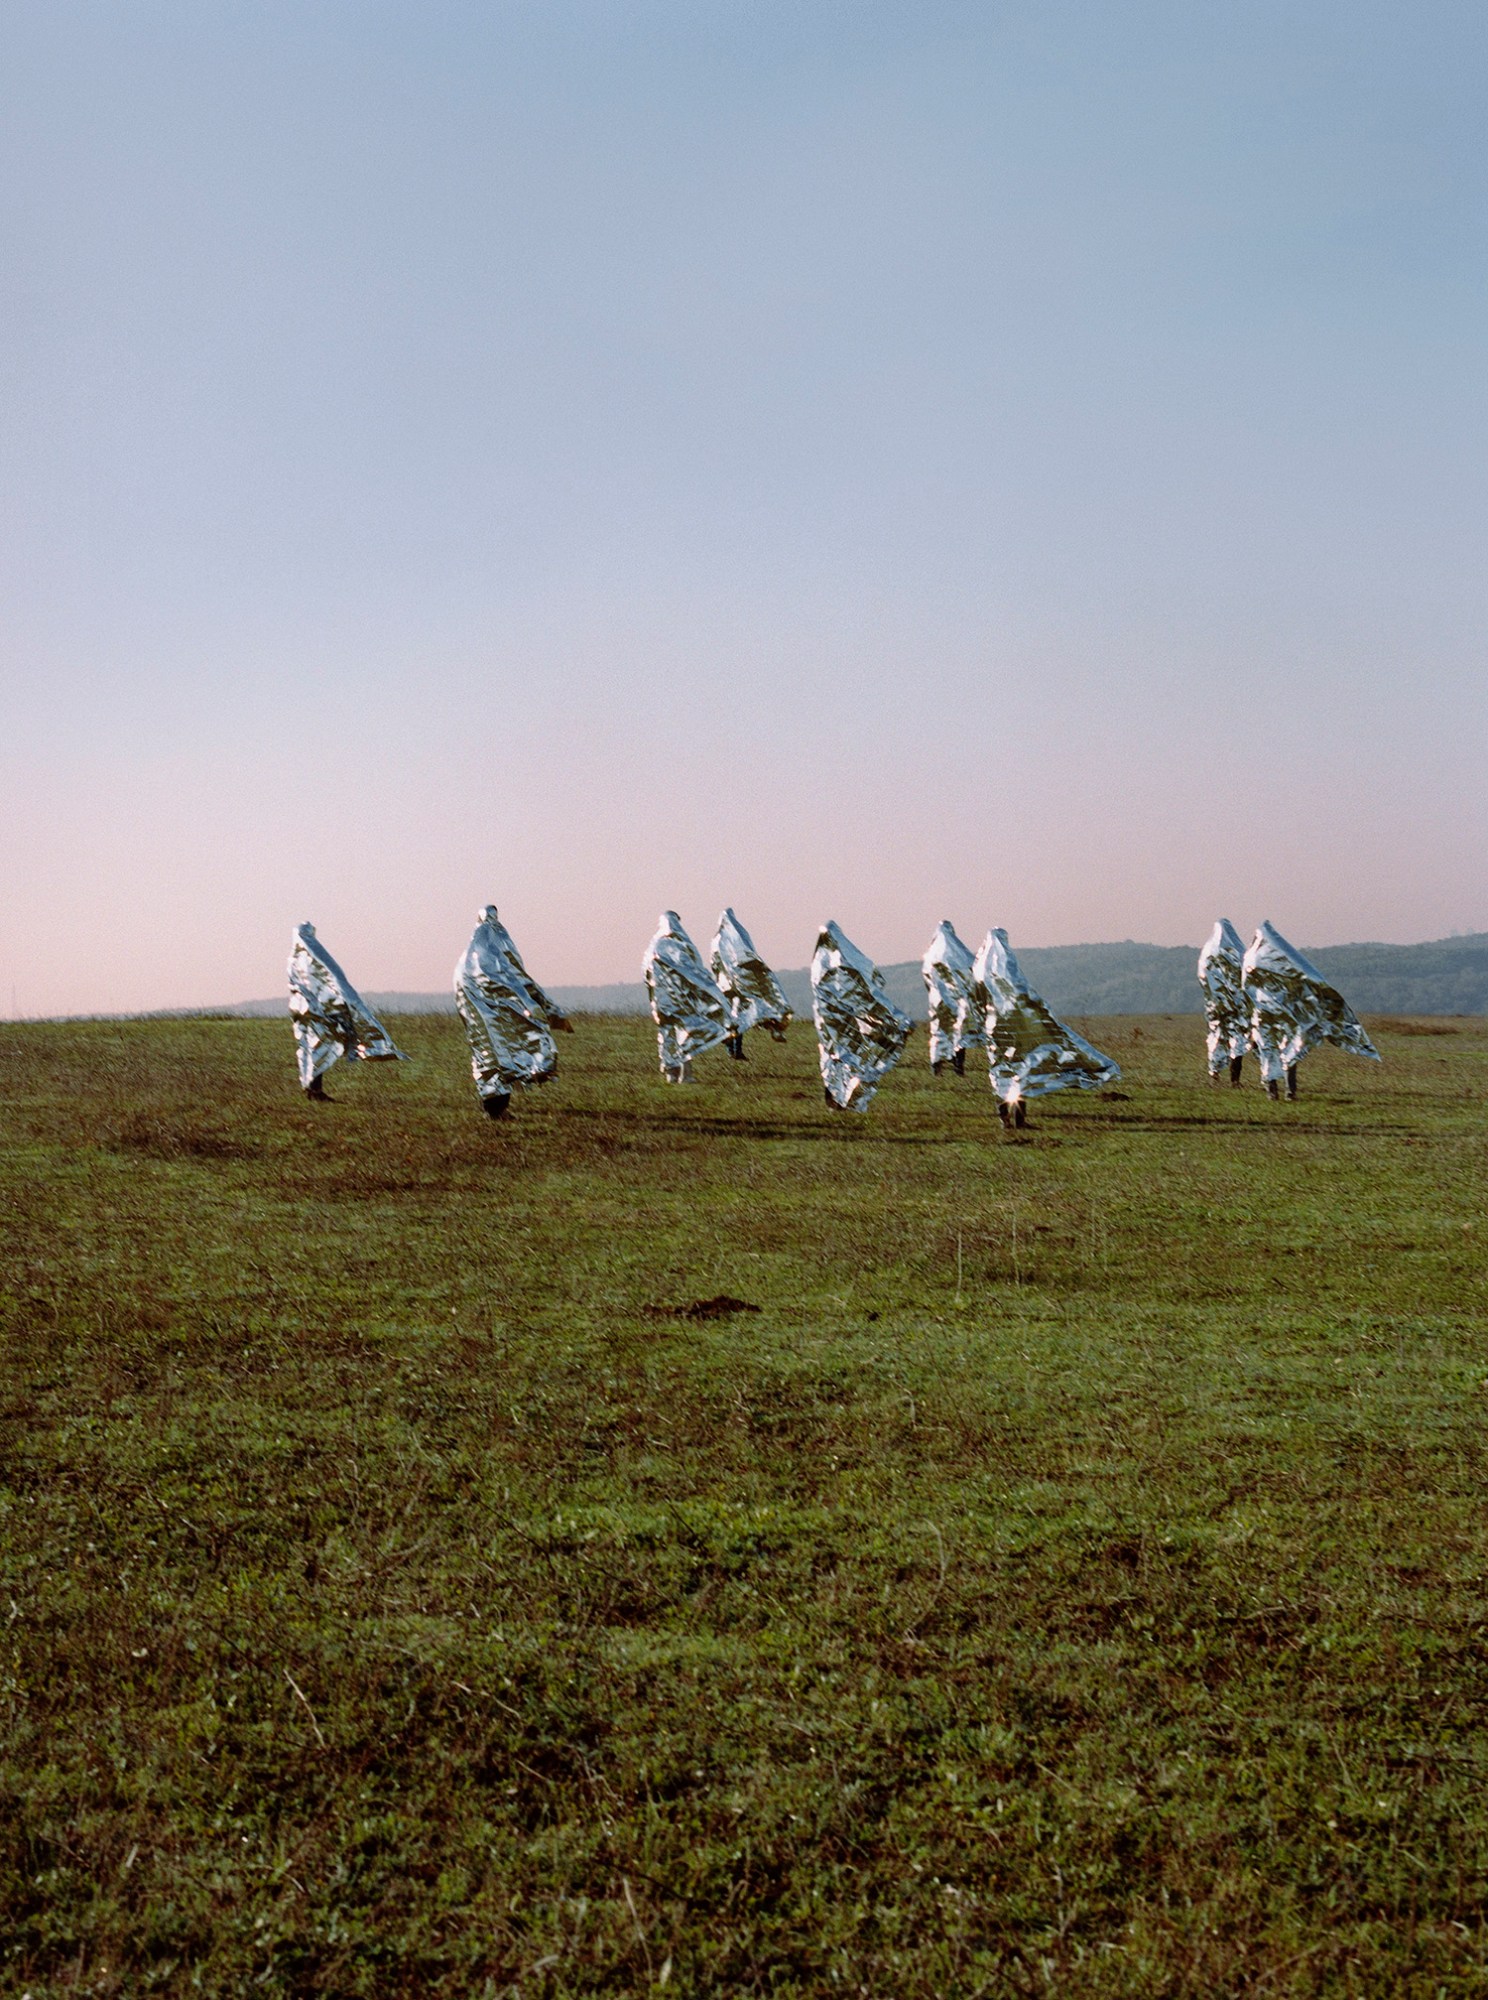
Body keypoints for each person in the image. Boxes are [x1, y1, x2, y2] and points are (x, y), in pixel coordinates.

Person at [971, 928, 1119, 1129]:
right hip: (1016, 1030)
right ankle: (1018, 1121)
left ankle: (1006, 1119)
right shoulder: (1004, 965)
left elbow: (978, 1003)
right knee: (1020, 1073)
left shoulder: (979, 970)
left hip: (995, 1033)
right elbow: (1020, 992)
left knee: (1003, 1073)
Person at [1241, 921, 1380, 1101]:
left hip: (1263, 1014)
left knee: (1268, 1051)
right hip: (1285, 1012)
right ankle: (1289, 1091)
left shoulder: (1250, 959)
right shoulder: (1279, 957)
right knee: (1290, 1048)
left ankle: (1272, 1090)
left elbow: (1246, 987)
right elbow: (1302, 974)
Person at [454, 906, 560, 1119]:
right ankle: (497, 1109)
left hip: (475, 1013)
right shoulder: (496, 948)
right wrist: (546, 1007)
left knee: (485, 1055)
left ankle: (493, 1107)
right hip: (494, 1013)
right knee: (502, 1054)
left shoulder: (466, 959)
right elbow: (516, 977)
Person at [287, 922, 406, 1101]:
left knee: (310, 1047)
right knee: (321, 1045)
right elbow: (333, 977)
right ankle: (314, 1089)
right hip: (315, 1010)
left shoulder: (293, 959)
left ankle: (311, 1088)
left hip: (302, 1010)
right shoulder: (313, 955)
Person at [810, 921, 913, 1111]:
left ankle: (837, 1100)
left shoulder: (819, 968)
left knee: (833, 1059)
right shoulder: (844, 968)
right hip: (841, 1023)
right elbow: (866, 995)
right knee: (845, 1059)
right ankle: (842, 1099)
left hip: (828, 1023)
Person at [643, 912, 732, 1082]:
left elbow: (647, 977)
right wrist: (712, 991)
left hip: (660, 1002)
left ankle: (670, 1071)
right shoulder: (671, 945)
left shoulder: (651, 949)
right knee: (685, 1034)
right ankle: (686, 1074)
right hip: (678, 1000)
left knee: (666, 1035)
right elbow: (691, 970)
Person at [709, 907, 792, 1059]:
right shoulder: (738, 936)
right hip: (738, 984)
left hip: (727, 985)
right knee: (740, 1014)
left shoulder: (716, 940)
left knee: (736, 1016)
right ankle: (734, 1047)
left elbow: (714, 963)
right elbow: (748, 955)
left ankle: (734, 1048)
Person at [922, 920, 983, 1077]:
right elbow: (972, 969)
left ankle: (937, 1067)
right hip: (957, 1000)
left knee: (939, 1032)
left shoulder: (930, 955)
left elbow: (927, 978)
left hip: (938, 1001)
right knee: (958, 1032)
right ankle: (958, 1067)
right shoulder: (959, 951)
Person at [1198, 918, 1249, 1087]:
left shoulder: (1208, 951)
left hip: (1216, 1006)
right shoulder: (1239, 950)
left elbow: (1202, 976)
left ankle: (1215, 1074)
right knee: (1237, 1040)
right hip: (1236, 1005)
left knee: (1216, 1037)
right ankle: (1235, 1079)